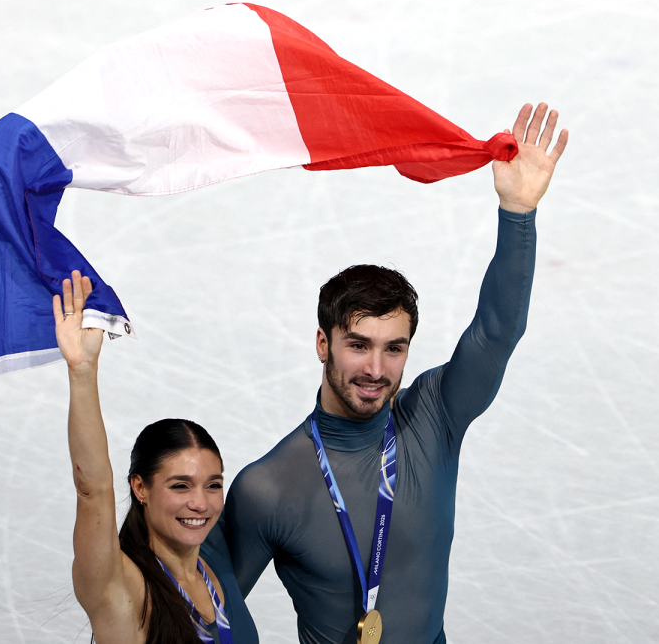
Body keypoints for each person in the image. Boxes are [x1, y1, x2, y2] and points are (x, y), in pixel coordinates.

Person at [223, 103, 569, 644]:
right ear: (323, 344)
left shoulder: (435, 415)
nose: (376, 370)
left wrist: (517, 213)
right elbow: (211, 617)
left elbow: (496, 333)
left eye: (394, 349)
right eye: (358, 345)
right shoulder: (266, 489)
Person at [56, 270, 258, 644]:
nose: (200, 503)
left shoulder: (214, 570)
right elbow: (92, 489)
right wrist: (82, 371)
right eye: (180, 485)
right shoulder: (122, 589)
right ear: (140, 488)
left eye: (213, 485)